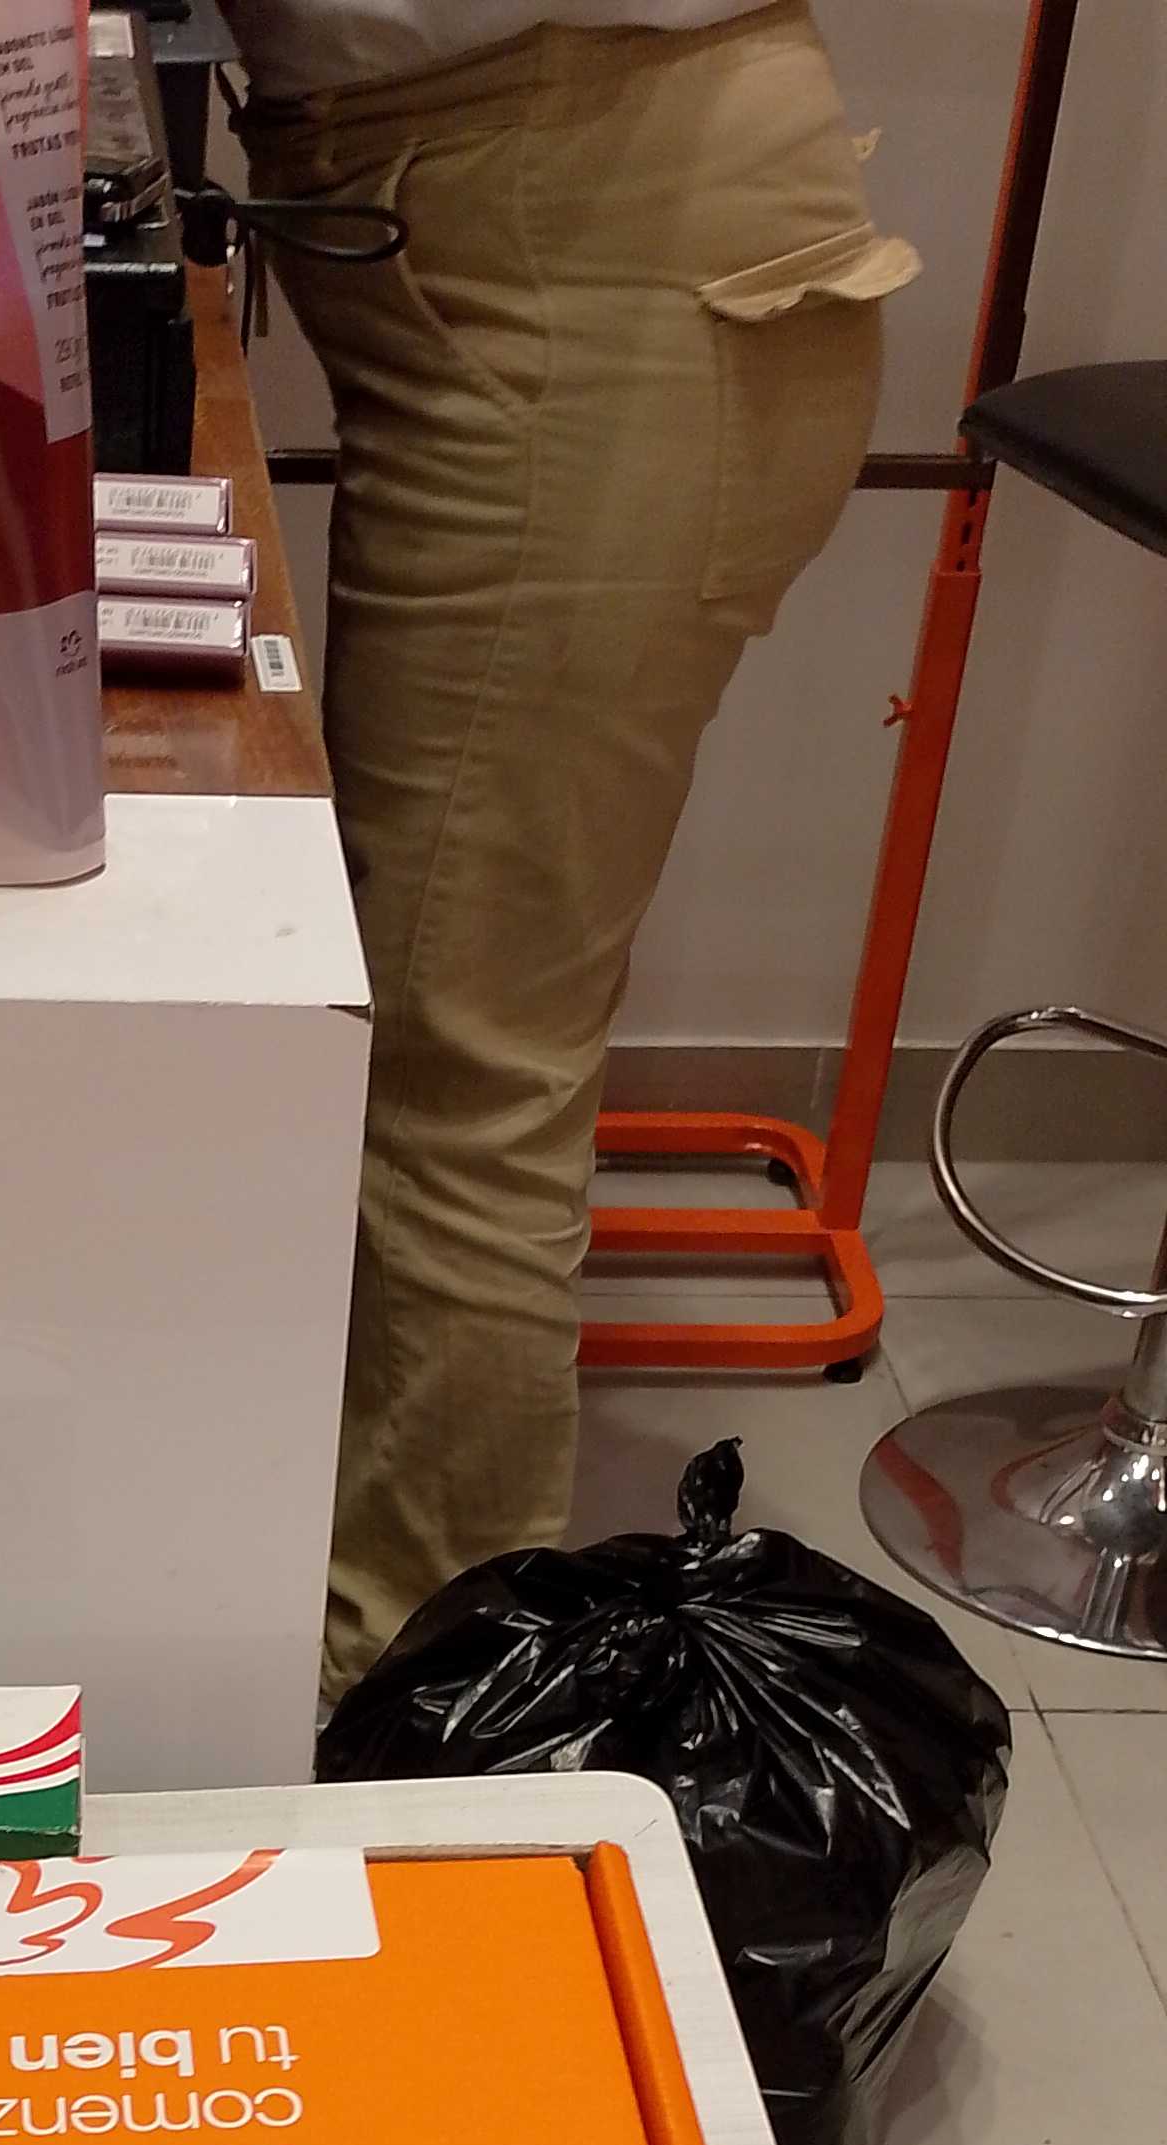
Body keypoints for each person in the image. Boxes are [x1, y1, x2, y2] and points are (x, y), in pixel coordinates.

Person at [220, 0, 916, 1701]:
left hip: (589, 245)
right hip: (537, 221)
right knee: (447, 1029)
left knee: (464, 1063)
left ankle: (412, 1718)